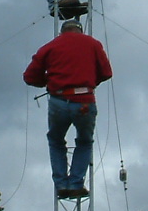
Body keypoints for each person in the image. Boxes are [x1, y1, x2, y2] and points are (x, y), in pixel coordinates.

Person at [22, 19, 113, 199]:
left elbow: (29, 76)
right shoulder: (93, 44)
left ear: (62, 32)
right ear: (80, 30)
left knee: (56, 141)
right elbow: (107, 73)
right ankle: (76, 183)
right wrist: (90, 82)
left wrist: (47, 82)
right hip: (85, 100)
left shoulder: (50, 47)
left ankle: (62, 184)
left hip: (59, 100)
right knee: (84, 141)